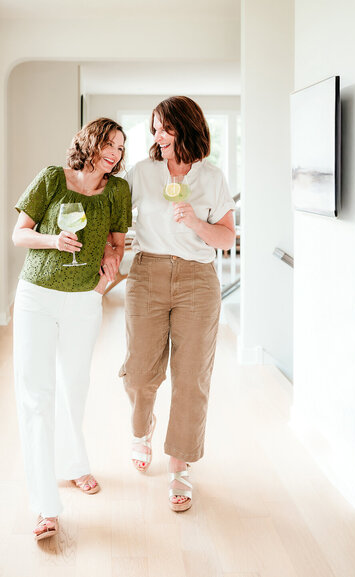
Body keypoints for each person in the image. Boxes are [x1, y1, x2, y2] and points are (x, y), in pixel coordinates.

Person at [111, 96, 235, 512]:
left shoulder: (212, 177)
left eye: (165, 128)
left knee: (191, 376)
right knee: (141, 371)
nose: (157, 136)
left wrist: (196, 222)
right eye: (155, 128)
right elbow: (114, 217)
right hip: (147, 274)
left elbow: (226, 239)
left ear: (185, 127)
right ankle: (141, 430)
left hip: (198, 281)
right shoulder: (142, 173)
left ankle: (180, 463)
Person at [11, 118, 131, 541]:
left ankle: (73, 464)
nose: (114, 153)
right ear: (89, 142)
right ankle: (45, 507)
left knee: (73, 388)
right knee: (36, 397)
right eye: (108, 144)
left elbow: (117, 244)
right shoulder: (51, 178)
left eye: (120, 147)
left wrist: (105, 277)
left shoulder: (118, 190)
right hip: (37, 297)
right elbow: (19, 234)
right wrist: (54, 242)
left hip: (84, 300)